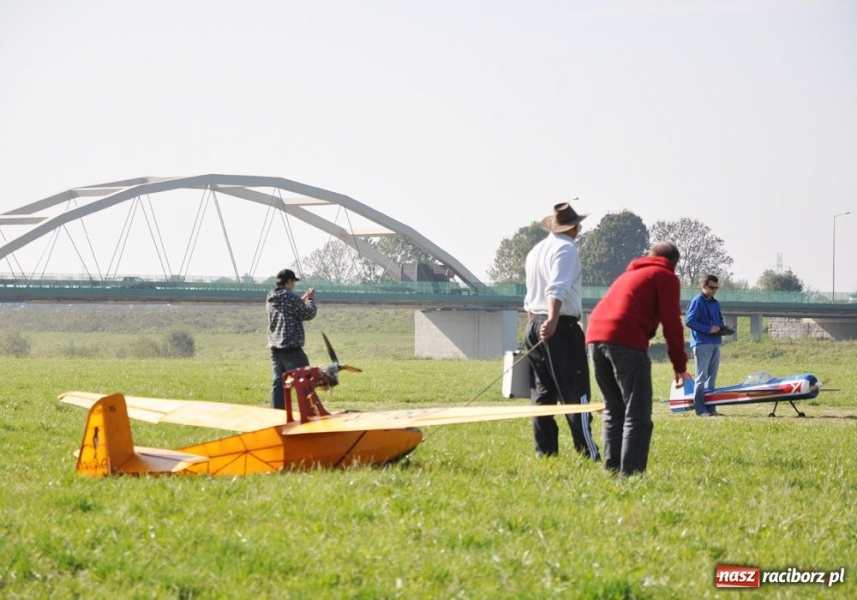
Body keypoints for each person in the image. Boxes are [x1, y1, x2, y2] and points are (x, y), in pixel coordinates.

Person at [586, 242, 690, 476]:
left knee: (614, 409)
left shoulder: (628, 275)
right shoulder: (665, 276)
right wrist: (680, 365)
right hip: (625, 340)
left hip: (594, 337)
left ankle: (611, 470)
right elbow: (672, 323)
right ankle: (631, 476)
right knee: (638, 413)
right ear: (674, 263)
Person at [523, 202, 600, 460]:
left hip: (533, 322)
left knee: (542, 393)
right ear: (574, 227)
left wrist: (538, 321)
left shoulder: (536, 250)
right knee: (575, 390)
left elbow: (533, 292)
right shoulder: (566, 249)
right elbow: (556, 289)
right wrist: (554, 320)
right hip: (560, 324)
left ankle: (545, 453)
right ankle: (586, 451)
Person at [267, 268, 317, 409]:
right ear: (289, 281)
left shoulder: (271, 297)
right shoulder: (291, 298)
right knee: (305, 381)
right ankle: (309, 413)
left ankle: (277, 414)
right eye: (293, 281)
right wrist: (311, 300)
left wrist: (302, 299)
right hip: (292, 349)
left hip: (275, 348)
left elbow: (288, 308)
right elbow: (308, 313)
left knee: (279, 383)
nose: (294, 285)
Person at [685, 274, 727, 417]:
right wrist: (708, 329)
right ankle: (700, 409)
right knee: (701, 377)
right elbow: (690, 321)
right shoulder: (697, 301)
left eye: (716, 288)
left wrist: (723, 328)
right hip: (702, 343)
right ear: (703, 286)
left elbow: (719, 320)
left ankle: (711, 408)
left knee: (712, 379)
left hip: (715, 342)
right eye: (711, 287)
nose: (714, 290)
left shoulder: (715, 303)